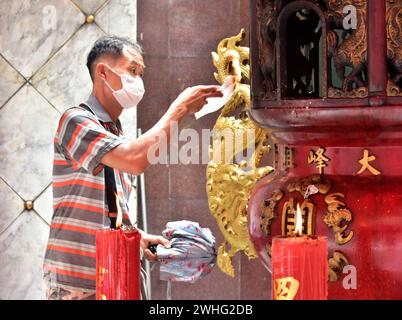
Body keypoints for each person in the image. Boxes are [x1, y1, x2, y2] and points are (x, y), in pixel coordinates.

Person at [43, 35, 222, 300]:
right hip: (77, 284)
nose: (138, 81)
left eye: (141, 73)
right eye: (132, 70)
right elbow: (135, 160)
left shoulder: (116, 134)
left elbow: (108, 210)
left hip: (116, 278)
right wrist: (180, 107)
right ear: (103, 72)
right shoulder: (76, 120)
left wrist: (135, 238)